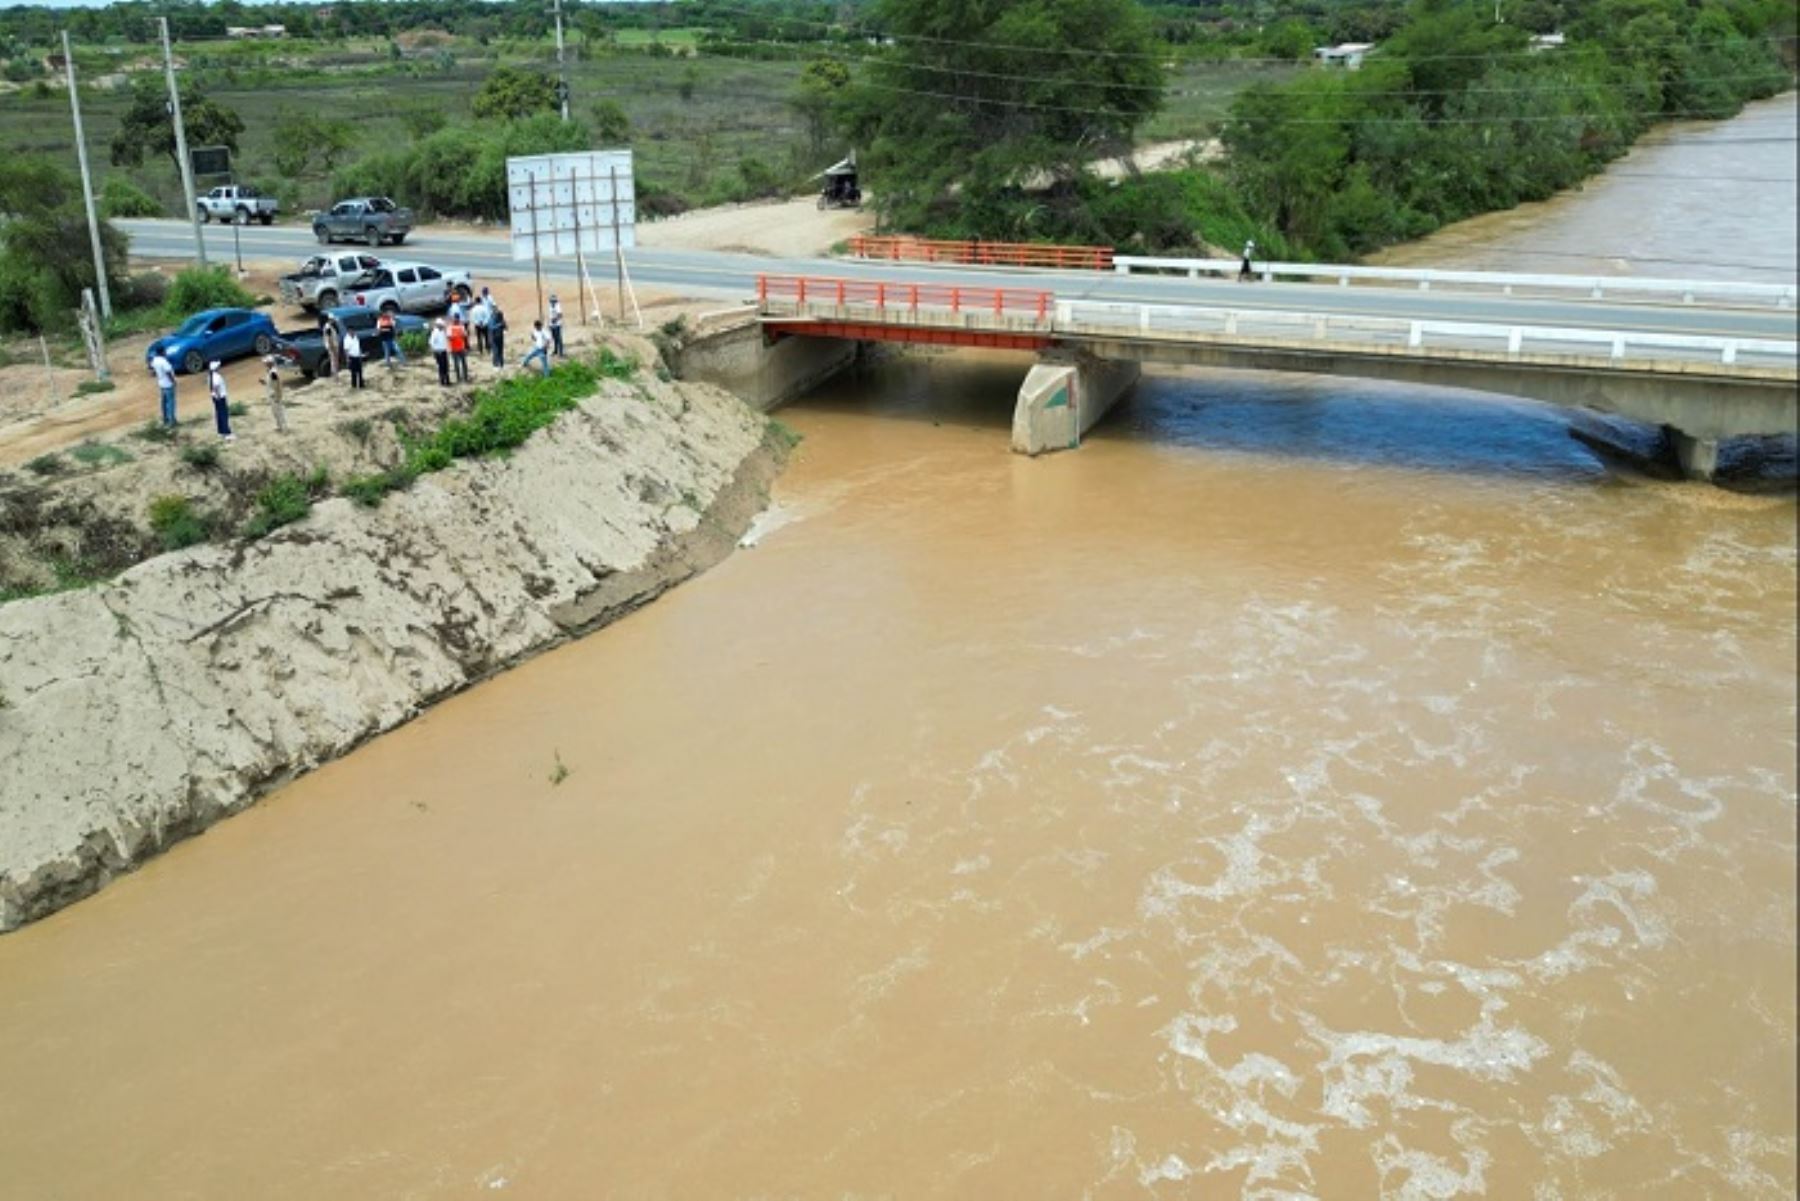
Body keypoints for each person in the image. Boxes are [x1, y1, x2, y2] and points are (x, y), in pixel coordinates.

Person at [206, 360, 234, 442]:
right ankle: (227, 433)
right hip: (220, 397)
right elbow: (216, 386)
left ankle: (221, 430)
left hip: (215, 397)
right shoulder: (217, 377)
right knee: (223, 414)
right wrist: (218, 395)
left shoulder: (210, 376)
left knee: (219, 413)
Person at [149, 349, 177, 427]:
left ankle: (165, 419)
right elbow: (168, 372)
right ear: (162, 353)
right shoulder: (164, 362)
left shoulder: (155, 360)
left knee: (164, 403)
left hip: (161, 384)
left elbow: (151, 367)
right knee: (171, 403)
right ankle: (172, 421)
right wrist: (173, 381)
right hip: (168, 384)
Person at [262, 355, 287, 432]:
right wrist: (265, 382)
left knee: (279, 411)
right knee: (275, 411)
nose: (265, 364)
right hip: (272, 394)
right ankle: (279, 426)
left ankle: (283, 427)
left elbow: (276, 384)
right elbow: (271, 383)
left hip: (274, 395)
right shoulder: (270, 372)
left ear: (270, 363)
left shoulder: (273, 373)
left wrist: (276, 394)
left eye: (266, 363)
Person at [447, 315, 470, 383]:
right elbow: (449, 337)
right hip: (454, 348)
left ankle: (465, 377)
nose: (455, 320)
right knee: (456, 364)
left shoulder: (461, 326)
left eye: (456, 319)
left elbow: (465, 335)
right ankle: (458, 378)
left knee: (464, 363)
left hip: (461, 347)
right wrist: (458, 335)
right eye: (454, 319)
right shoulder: (450, 327)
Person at [429, 318, 450, 386]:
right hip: (439, 352)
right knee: (441, 366)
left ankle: (446, 380)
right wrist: (435, 351)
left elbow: (445, 340)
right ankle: (442, 381)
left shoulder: (443, 331)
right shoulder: (435, 332)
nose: (442, 326)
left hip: (444, 351)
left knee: (446, 366)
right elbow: (431, 343)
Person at [488, 302, 507, 368]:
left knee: (500, 350)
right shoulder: (492, 318)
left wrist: (504, 325)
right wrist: (500, 325)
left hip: (500, 336)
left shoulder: (500, 318)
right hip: (493, 337)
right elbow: (491, 327)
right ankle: (495, 365)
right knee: (496, 351)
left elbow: (506, 328)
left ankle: (501, 364)